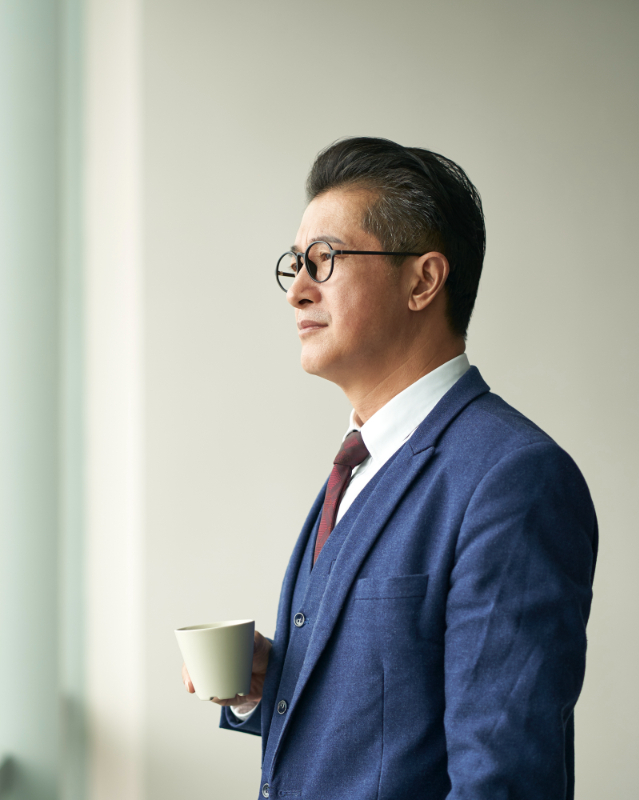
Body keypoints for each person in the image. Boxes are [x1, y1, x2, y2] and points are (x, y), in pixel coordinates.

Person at [180, 137, 598, 799]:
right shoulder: (357, 464)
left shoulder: (512, 480)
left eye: (326, 259)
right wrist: (274, 686)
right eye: (295, 264)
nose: (298, 292)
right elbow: (384, 727)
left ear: (423, 280)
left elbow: (506, 782)